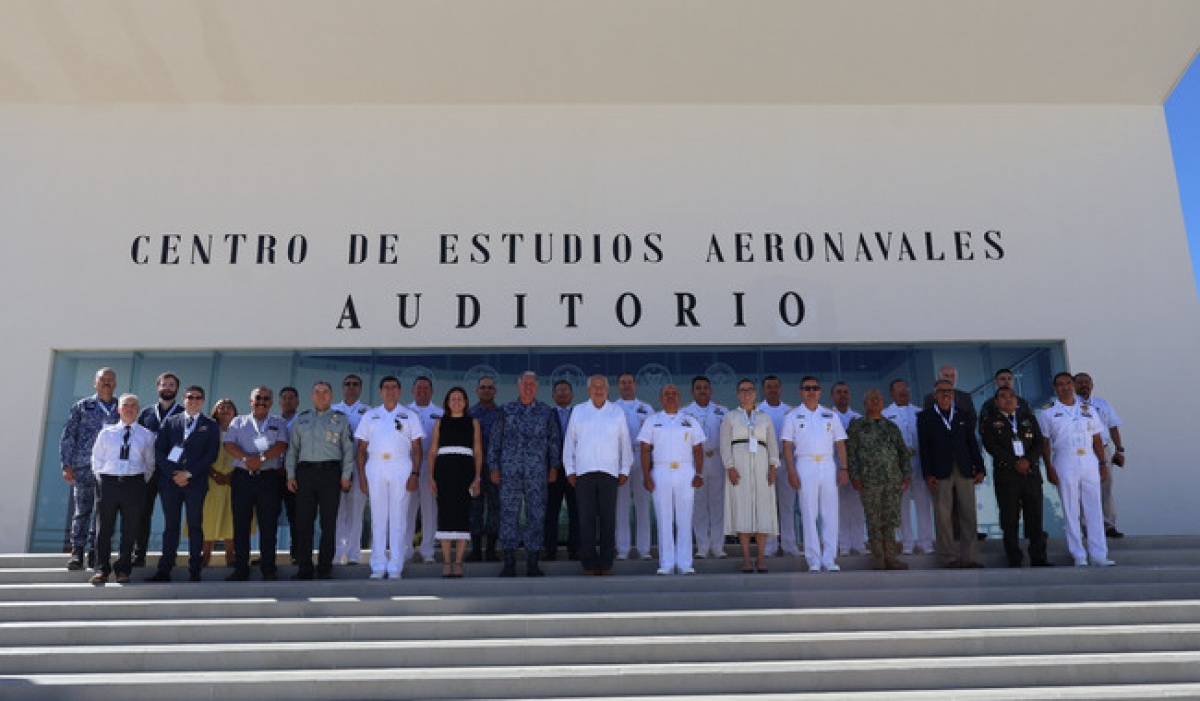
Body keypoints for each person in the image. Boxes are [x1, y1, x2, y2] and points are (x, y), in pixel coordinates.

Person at [488, 371, 562, 577]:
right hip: (509, 472)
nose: (528, 387)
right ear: (518, 386)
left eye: (532, 384)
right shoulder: (505, 410)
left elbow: (554, 441)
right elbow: (495, 440)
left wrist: (554, 466)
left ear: (536, 387)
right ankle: (509, 562)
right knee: (508, 515)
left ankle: (532, 562)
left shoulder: (546, 412)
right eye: (525, 384)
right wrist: (493, 466)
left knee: (536, 515)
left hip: (537, 473)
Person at [147, 385, 221, 582]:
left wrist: (188, 473)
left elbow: (211, 455)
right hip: (170, 483)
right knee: (171, 526)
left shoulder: (210, 425)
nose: (194, 401)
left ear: (203, 401)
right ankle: (164, 569)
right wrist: (173, 473)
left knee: (195, 525)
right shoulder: (171, 422)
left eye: (198, 397)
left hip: (195, 483)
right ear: (184, 399)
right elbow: (159, 450)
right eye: (190, 397)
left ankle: (195, 569)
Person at [1040, 372, 1114, 567]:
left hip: (1089, 459)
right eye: (1060, 384)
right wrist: (1048, 467)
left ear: (1073, 386)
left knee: (1094, 508)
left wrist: (1102, 463)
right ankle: (1078, 554)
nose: (1065, 387)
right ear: (1055, 388)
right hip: (1065, 459)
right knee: (1071, 508)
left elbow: (1097, 439)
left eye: (1068, 383)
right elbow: (1044, 443)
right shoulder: (1048, 413)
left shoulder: (1088, 410)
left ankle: (1098, 554)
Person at [285, 381, 356, 580]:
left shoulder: (340, 419)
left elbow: (348, 450)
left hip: (330, 473)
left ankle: (325, 567)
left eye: (325, 392)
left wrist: (346, 475)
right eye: (317, 392)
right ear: (312, 395)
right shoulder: (302, 419)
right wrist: (290, 474)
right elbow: (293, 450)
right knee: (303, 523)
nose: (321, 395)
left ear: (331, 396)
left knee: (328, 523)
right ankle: (304, 568)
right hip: (305, 474)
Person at [355, 376, 423, 580]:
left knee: (398, 517)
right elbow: (361, 449)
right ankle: (378, 565)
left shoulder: (409, 415)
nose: (390, 391)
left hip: (401, 463)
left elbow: (417, 449)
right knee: (378, 517)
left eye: (394, 387)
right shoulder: (370, 415)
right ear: (380, 391)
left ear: (400, 391)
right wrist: (362, 477)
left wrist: (415, 474)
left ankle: (395, 566)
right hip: (375, 464)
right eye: (386, 387)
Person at [564, 375, 631, 576]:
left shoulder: (617, 412)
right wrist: (570, 469)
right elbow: (570, 442)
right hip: (584, 473)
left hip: (610, 472)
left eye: (602, 387)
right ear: (588, 390)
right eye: (595, 386)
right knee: (586, 520)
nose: (599, 390)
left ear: (608, 390)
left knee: (608, 519)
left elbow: (625, 442)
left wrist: (624, 469)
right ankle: (589, 563)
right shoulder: (579, 411)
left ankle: (606, 562)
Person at [781, 376, 848, 573]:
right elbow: (787, 446)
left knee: (830, 513)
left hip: (827, 464)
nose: (811, 391)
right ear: (801, 392)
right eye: (807, 388)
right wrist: (791, 471)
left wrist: (844, 468)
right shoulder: (792, 416)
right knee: (809, 513)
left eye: (815, 388)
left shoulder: (830, 415)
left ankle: (829, 558)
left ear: (820, 392)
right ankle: (813, 559)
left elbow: (840, 443)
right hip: (805, 463)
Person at [222, 387, 289, 581]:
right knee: (240, 524)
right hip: (242, 478)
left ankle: (268, 569)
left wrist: (260, 458)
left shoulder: (278, 422)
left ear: (271, 403)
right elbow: (228, 444)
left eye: (266, 399)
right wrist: (245, 458)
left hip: (268, 479)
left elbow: (281, 445)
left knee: (268, 525)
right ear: (250, 401)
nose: (262, 402)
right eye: (258, 398)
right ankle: (241, 568)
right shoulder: (238, 421)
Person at [918, 379, 986, 569]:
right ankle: (948, 557)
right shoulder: (925, 417)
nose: (946, 394)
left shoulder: (962, 415)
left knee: (968, 514)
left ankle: (970, 557)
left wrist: (980, 468)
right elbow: (924, 448)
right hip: (940, 470)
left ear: (954, 394)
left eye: (949, 391)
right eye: (942, 391)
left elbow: (972, 443)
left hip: (964, 468)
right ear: (935, 395)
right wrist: (927, 474)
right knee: (943, 516)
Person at [89, 393, 156, 585]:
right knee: (104, 528)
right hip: (108, 483)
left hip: (134, 484)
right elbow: (96, 459)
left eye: (133, 405)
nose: (129, 408)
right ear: (118, 409)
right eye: (125, 405)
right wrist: (102, 478)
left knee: (130, 529)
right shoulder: (106, 433)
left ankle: (123, 569)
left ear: (138, 410)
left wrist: (138, 480)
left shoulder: (147, 435)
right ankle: (102, 569)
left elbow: (150, 463)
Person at [639, 384, 705, 575]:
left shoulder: (689, 421)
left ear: (679, 397)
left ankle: (685, 563)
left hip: (685, 470)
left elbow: (698, 449)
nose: (670, 396)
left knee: (685, 518)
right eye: (666, 394)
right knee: (664, 518)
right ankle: (666, 563)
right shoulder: (652, 421)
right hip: (661, 470)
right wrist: (646, 475)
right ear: (660, 398)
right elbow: (645, 450)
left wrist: (699, 473)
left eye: (674, 393)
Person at [980, 386, 1050, 568]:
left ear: (1017, 400)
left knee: (1035, 517)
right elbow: (991, 446)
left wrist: (1028, 460)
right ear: (997, 402)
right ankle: (1014, 558)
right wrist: (1015, 462)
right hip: (1007, 475)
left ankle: (1038, 557)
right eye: (1003, 397)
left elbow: (1039, 443)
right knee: (1009, 518)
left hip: (1030, 474)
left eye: (1011, 396)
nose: (1008, 399)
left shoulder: (1028, 419)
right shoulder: (991, 422)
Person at [59, 367, 120, 571]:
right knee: (82, 511)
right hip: (84, 466)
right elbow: (68, 436)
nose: (106, 383)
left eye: (110, 380)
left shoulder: (121, 407)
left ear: (115, 383)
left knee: (103, 513)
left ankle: (96, 551)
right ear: (95, 383)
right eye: (103, 379)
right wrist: (67, 464)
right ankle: (77, 551)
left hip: (111, 469)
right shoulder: (83, 406)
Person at [846, 388, 911, 570]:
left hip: (891, 480)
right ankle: (878, 558)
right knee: (873, 520)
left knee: (890, 519)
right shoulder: (857, 426)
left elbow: (902, 452)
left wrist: (906, 474)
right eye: (871, 399)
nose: (875, 402)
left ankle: (891, 557)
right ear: (864, 403)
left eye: (878, 399)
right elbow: (851, 454)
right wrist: (854, 476)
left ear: (883, 404)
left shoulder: (891, 427)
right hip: (869, 481)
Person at [721, 379, 780, 574]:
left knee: (762, 510)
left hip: (761, 466)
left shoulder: (764, 417)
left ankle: (761, 557)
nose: (746, 393)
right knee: (743, 510)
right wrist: (729, 466)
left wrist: (773, 466)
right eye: (742, 390)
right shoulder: (730, 417)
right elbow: (724, 444)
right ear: (738, 394)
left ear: (755, 393)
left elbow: (772, 444)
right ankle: (747, 558)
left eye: (750, 390)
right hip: (739, 466)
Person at [429, 387, 483, 578]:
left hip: (465, 472)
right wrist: (431, 477)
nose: (457, 402)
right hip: (444, 472)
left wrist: (477, 477)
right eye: (453, 398)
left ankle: (458, 562)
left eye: (460, 398)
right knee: (445, 515)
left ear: (466, 402)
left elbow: (478, 451)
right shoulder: (440, 422)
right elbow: (432, 451)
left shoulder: (473, 422)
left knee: (462, 515)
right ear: (447, 402)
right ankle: (447, 562)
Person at [133, 371, 183, 567]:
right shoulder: (146, 413)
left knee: (172, 517)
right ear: (158, 388)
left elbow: (183, 444)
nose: (167, 388)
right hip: (147, 472)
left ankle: (169, 558)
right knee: (142, 514)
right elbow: (137, 440)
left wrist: (168, 464)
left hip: (170, 473)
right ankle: (139, 555)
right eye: (164, 384)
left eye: (171, 385)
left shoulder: (183, 413)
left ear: (177, 389)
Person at [1074, 372, 1127, 539]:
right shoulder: (1070, 405)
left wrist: (1119, 449)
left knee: (1106, 487)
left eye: (1086, 382)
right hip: (1082, 451)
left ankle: (1108, 525)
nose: (1084, 385)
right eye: (1080, 382)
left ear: (1092, 385)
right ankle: (1086, 526)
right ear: (1074, 385)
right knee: (1083, 489)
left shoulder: (1102, 404)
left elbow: (1113, 426)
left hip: (1103, 450)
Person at [884, 379, 932, 555]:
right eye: (899, 389)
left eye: (906, 389)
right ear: (892, 393)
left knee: (923, 502)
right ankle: (907, 542)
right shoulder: (885, 414)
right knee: (901, 504)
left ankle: (926, 542)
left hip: (918, 461)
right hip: (897, 464)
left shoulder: (919, 412)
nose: (903, 392)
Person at [683, 376, 728, 559]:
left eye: (705, 387)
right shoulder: (685, 413)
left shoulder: (722, 411)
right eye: (698, 388)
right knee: (699, 504)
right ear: (692, 391)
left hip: (717, 458)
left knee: (718, 504)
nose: (702, 391)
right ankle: (702, 546)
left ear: (711, 391)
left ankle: (718, 546)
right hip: (695, 460)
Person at [614, 372, 654, 561]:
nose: (626, 385)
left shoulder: (646, 409)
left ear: (635, 385)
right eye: (623, 383)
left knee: (643, 505)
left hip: (641, 456)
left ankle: (644, 549)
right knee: (621, 506)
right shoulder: (612, 408)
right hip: (619, 458)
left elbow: (654, 438)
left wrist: (651, 464)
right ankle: (622, 549)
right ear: (618, 386)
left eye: (629, 382)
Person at [332, 374, 370, 566]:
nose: (351, 387)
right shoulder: (332, 410)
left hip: (359, 463)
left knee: (356, 510)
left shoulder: (368, 412)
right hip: (336, 464)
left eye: (355, 384)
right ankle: (338, 553)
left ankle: (354, 553)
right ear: (342, 388)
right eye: (347, 384)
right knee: (337, 511)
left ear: (360, 388)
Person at [407, 376, 443, 564]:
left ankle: (428, 551)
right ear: (413, 391)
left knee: (429, 510)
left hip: (431, 465)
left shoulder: (440, 413)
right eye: (419, 388)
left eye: (426, 388)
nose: (422, 391)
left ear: (432, 391)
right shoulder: (404, 412)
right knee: (407, 509)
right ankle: (406, 550)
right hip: (408, 464)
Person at [757, 375, 794, 557]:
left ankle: (789, 545)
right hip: (765, 463)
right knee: (767, 507)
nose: (772, 390)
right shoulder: (757, 411)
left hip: (786, 462)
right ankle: (770, 546)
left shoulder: (790, 411)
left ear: (780, 389)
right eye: (769, 386)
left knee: (787, 506)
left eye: (775, 386)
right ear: (763, 390)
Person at [467, 376, 503, 562]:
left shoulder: (502, 414)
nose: (486, 390)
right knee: (475, 508)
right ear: (477, 391)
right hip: (474, 470)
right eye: (483, 387)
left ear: (495, 391)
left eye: (490, 387)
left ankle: (490, 549)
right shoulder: (469, 414)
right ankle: (475, 550)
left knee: (495, 508)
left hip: (496, 469)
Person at [199, 398, 237, 568]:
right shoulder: (208, 430)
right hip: (211, 480)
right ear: (215, 411)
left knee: (231, 517)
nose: (226, 410)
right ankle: (205, 555)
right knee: (209, 517)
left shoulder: (240, 430)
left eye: (229, 407)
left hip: (233, 481)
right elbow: (200, 454)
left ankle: (231, 555)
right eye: (222, 407)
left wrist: (232, 476)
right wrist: (213, 473)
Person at [544, 379, 580, 561]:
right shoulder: (546, 415)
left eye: (566, 390)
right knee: (551, 511)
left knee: (577, 510)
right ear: (553, 395)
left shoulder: (580, 414)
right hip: (553, 470)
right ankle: (550, 549)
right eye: (559, 391)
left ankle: (576, 549)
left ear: (572, 394)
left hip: (576, 470)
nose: (562, 393)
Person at [832, 382, 865, 556]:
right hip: (834, 465)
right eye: (838, 392)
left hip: (856, 466)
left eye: (845, 392)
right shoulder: (827, 417)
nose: (842, 395)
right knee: (838, 508)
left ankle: (858, 543)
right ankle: (843, 544)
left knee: (857, 507)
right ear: (832, 396)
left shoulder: (858, 418)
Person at [277, 386, 301, 564]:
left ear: (297, 402)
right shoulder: (273, 422)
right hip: (273, 475)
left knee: (296, 515)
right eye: (284, 398)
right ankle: (267, 553)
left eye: (291, 398)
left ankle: (297, 553)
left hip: (295, 475)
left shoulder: (303, 421)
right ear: (279, 402)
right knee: (269, 515)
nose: (287, 401)